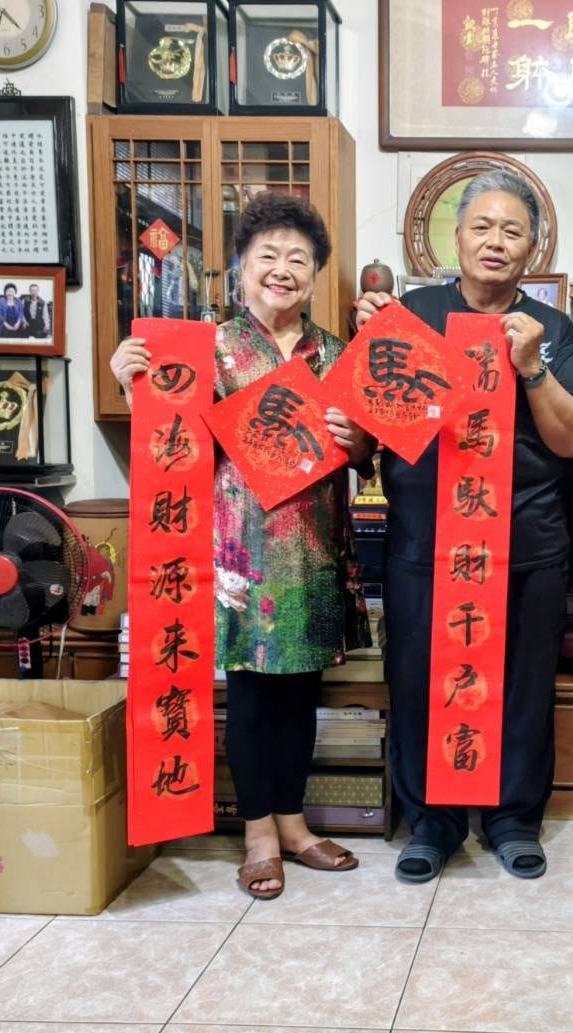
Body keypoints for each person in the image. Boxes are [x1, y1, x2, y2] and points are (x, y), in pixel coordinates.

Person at [109, 192, 375, 899]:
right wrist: (132, 384)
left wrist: (356, 442)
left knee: (303, 695)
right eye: (268, 256)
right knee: (254, 696)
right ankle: (258, 834)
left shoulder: (337, 354)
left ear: (315, 274)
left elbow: (365, 453)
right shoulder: (205, 349)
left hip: (315, 548)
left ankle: (294, 824)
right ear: (240, 269)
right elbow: (169, 439)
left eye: (299, 259)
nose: (283, 270)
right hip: (239, 554)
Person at [352, 170, 573, 884]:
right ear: (454, 239)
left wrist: (531, 369)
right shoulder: (413, 315)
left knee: (522, 687)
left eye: (511, 231)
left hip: (526, 544)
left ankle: (512, 820)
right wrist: (370, 347)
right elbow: (366, 435)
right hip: (426, 543)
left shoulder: (551, 330)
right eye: (481, 227)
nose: (495, 241)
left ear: (532, 248)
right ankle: (432, 822)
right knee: (418, 681)